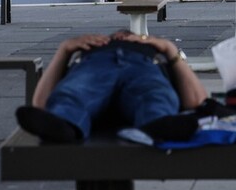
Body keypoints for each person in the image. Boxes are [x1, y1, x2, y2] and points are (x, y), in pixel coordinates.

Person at [15, 30, 208, 143]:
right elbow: (40, 104)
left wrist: (168, 48)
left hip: (143, 64)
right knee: (73, 93)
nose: (120, 37)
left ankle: (158, 123)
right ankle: (63, 124)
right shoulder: (92, 48)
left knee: (155, 94)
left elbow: (197, 100)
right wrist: (65, 49)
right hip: (96, 62)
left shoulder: (154, 49)